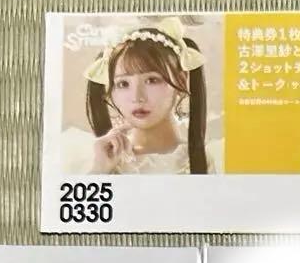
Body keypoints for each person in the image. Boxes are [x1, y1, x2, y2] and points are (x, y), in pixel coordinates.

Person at [67, 16, 216, 175]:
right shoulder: (96, 160)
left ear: (181, 80)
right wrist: (100, 170)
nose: (137, 97)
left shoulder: (208, 159)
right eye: (123, 84)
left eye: (152, 80)